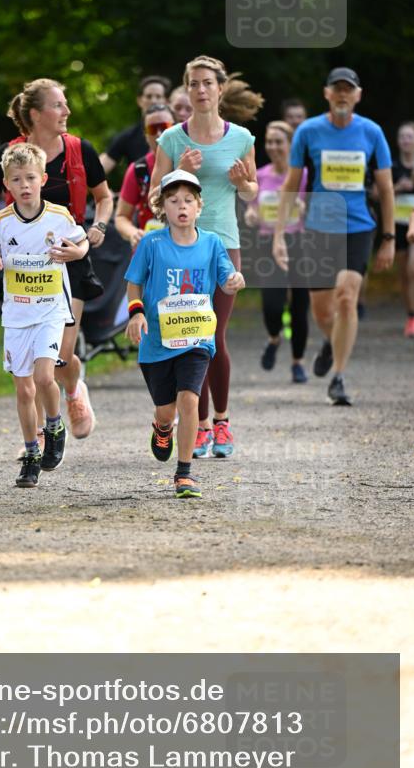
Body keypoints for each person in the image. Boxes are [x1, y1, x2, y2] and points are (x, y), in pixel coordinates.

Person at [0, 78, 113, 439]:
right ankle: (44, 431)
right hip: (24, 262)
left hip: (69, 256)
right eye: (58, 105)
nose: (67, 111)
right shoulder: (12, 155)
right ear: (35, 114)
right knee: (30, 359)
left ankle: (74, 391)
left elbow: (104, 197)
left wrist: (99, 226)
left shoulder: (80, 149)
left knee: (61, 353)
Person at [150, 55, 259, 459]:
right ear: (187, 88)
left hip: (224, 245)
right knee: (188, 333)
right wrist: (177, 170)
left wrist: (242, 182)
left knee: (214, 334)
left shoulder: (242, 138)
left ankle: (222, 422)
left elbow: (251, 192)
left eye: (207, 83)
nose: (200, 90)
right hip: (181, 247)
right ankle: (198, 426)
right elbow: (152, 199)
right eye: (193, 83)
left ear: (219, 88)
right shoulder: (172, 140)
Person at [273, 67, 395, 405]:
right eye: (336, 89)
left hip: (357, 226)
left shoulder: (371, 132)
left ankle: (338, 377)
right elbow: (290, 185)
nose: (342, 94)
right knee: (323, 313)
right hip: (318, 227)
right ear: (327, 93)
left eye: (348, 89)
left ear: (358, 95)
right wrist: (279, 234)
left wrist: (388, 238)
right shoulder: (309, 132)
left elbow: (385, 189)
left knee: (346, 296)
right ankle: (332, 340)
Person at [125, 170, 245, 497]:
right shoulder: (152, 243)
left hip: (196, 337)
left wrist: (235, 280)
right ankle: (162, 427)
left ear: (199, 206)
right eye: (173, 200)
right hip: (157, 341)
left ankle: (185, 473)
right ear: (162, 207)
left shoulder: (211, 243)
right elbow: (133, 281)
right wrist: (136, 312)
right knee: (166, 411)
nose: (182, 206)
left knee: (189, 400)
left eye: (188, 201)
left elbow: (227, 276)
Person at [0, 143, 89, 487]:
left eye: (30, 178)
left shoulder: (59, 217)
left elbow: (81, 244)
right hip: (16, 314)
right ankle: (30, 454)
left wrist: (75, 253)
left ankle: (54, 427)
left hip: (51, 310)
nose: (24, 185)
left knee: (44, 378)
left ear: (42, 179)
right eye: (16, 180)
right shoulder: (1, 221)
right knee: (24, 390)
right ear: (7, 187)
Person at [244, 121, 310, 383]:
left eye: (278, 141)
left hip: (300, 242)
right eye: (269, 141)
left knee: (300, 306)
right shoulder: (260, 175)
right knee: (272, 305)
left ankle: (298, 362)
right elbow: (252, 208)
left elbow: (315, 204)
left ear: (290, 145)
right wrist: (251, 215)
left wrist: (305, 208)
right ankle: (274, 337)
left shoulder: (304, 174)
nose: (272, 146)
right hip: (267, 243)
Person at [115, 103, 175, 249]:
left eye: (165, 126)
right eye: (153, 129)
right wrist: (133, 233)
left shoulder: (193, 161)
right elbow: (121, 217)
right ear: (145, 134)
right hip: (151, 253)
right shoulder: (138, 169)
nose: (159, 134)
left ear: (176, 127)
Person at [100, 75, 171, 175]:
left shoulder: (179, 132)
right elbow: (98, 171)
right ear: (139, 100)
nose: (153, 101)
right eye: (149, 96)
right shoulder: (128, 136)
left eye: (158, 96)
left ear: (167, 101)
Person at [389, 121, 414, 336]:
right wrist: (398, 188)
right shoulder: (391, 167)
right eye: (402, 137)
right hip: (398, 224)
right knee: (404, 274)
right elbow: (376, 193)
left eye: (410, 137)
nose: (406, 141)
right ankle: (411, 314)